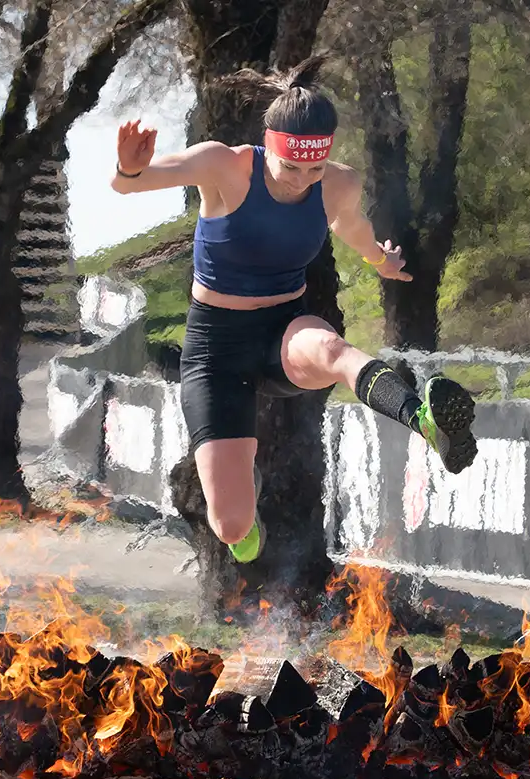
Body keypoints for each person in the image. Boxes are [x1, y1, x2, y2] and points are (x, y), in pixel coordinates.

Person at [110, 54, 478, 565]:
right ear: (267, 146)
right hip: (215, 349)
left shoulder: (338, 185)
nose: (301, 180)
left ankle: (422, 418)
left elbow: (350, 227)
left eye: (315, 168)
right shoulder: (224, 165)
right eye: (290, 167)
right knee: (231, 523)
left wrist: (380, 260)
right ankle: (241, 514)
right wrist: (131, 165)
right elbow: (131, 183)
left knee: (332, 348)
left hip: (283, 328)